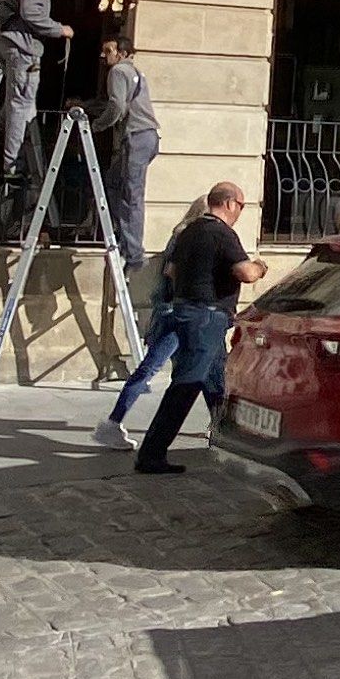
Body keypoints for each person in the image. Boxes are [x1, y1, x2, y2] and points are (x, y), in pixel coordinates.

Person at [135, 182, 266, 475]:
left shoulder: (189, 231)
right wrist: (261, 266)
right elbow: (245, 273)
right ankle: (151, 453)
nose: (240, 213)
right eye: (242, 207)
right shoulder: (222, 233)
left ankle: (229, 440)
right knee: (186, 384)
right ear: (231, 204)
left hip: (187, 311)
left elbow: (171, 271)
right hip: (207, 316)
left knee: (215, 381)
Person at [91, 197, 208, 451]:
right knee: (154, 369)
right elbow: (174, 274)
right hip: (180, 313)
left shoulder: (178, 235)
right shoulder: (190, 238)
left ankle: (217, 425)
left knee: (203, 369)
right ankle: (112, 423)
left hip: (170, 310)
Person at [0, 0, 73, 180]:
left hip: (4, 39)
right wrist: (60, 30)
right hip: (23, 45)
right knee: (22, 104)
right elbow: (32, 14)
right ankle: (13, 165)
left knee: (15, 97)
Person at [87, 34, 159, 270]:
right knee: (114, 182)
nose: (103, 56)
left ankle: (134, 253)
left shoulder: (118, 72)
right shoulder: (137, 73)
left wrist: (97, 126)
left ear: (123, 53)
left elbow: (117, 106)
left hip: (137, 137)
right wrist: (88, 106)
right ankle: (124, 237)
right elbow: (121, 103)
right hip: (147, 137)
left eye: (108, 51)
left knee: (131, 195)